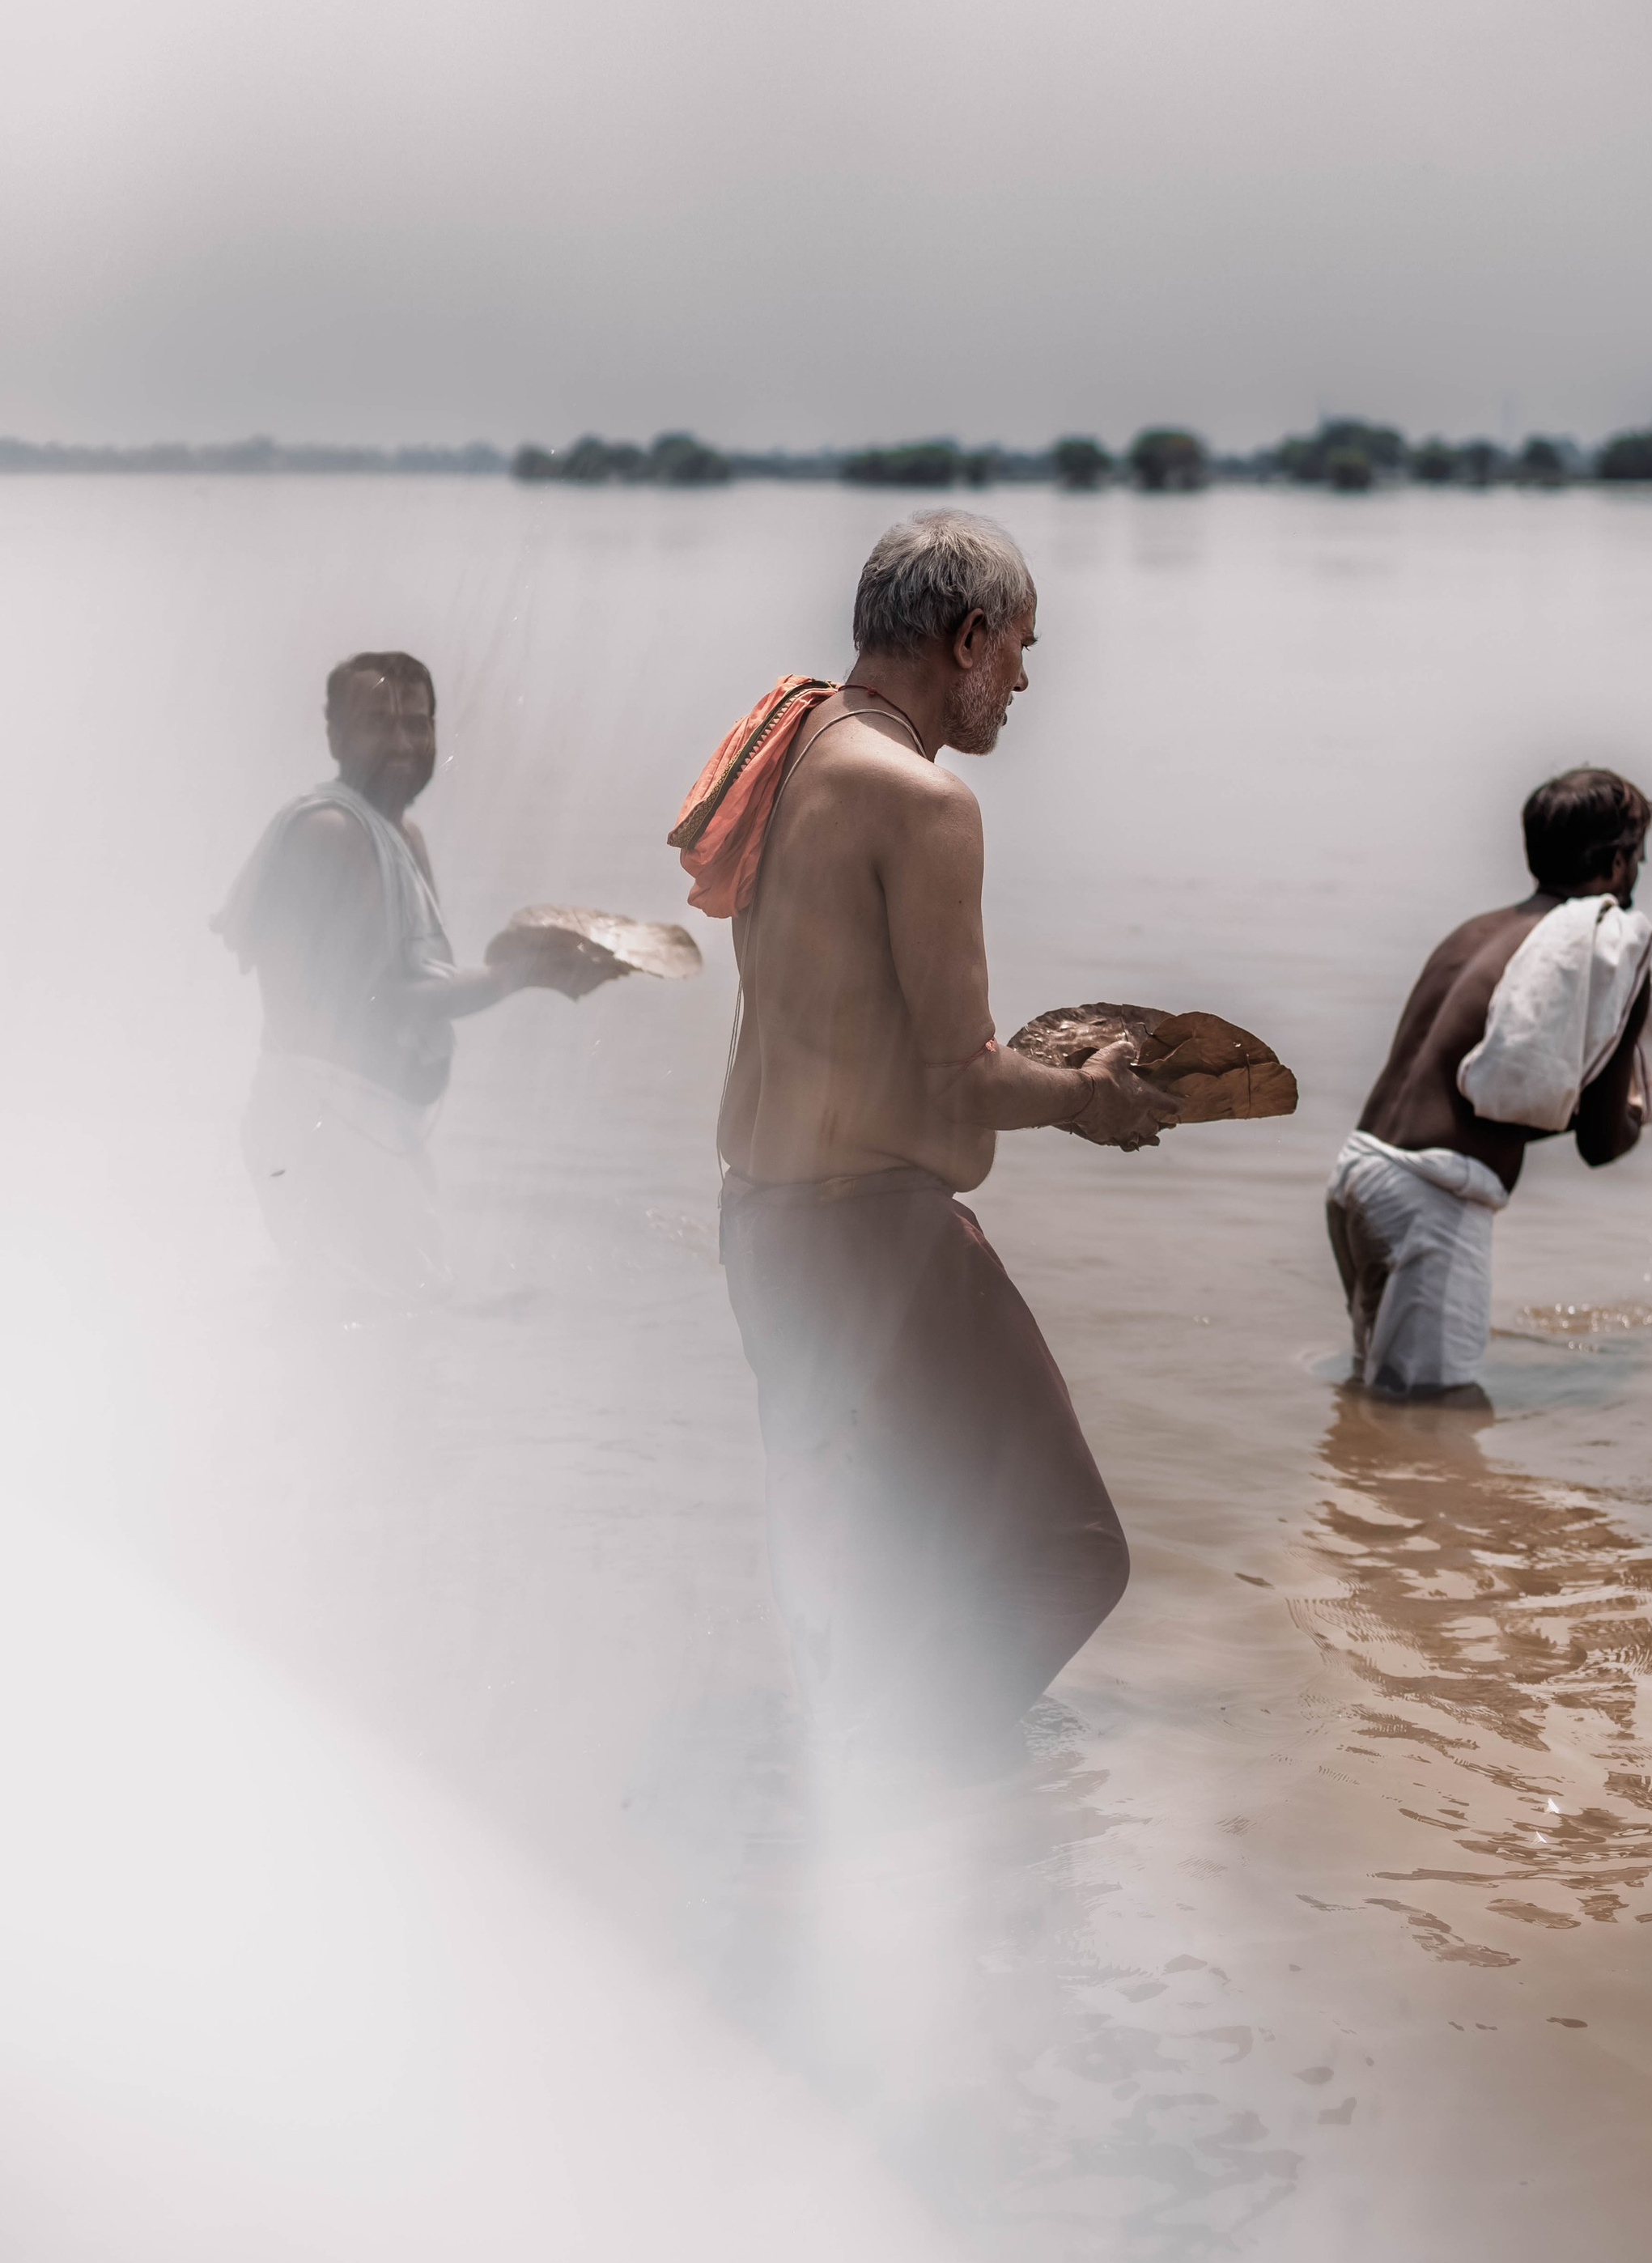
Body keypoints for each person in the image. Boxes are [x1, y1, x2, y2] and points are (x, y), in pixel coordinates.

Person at [682, 512, 1174, 1767]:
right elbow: (958, 1080)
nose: (1022, 679)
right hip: (869, 1234)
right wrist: (1090, 1097)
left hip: (762, 1222)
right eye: (1017, 649)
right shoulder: (924, 800)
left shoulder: (791, 741)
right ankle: (907, 1792)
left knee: (864, 1541)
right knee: (1071, 1553)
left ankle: (838, 1783)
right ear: (967, 638)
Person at [214, 652, 622, 1299]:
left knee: (392, 1321)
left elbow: (409, 980)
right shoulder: (333, 831)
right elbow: (382, 1003)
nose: (404, 743)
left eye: (418, 723)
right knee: (370, 1328)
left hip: (365, 1129)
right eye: (379, 723)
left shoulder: (402, 834)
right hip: (325, 1128)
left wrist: (523, 969)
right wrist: (515, 974)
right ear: (336, 737)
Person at [1327, 766, 1652, 1405]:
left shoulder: (1476, 933)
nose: (1636, 876)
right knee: (1433, 1413)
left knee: (1379, 1395)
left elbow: (1486, 1107)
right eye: (1638, 859)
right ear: (1614, 862)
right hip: (1430, 1199)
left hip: (1360, 1174)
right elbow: (1602, 1145)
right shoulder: (1602, 949)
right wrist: (1641, 1107)